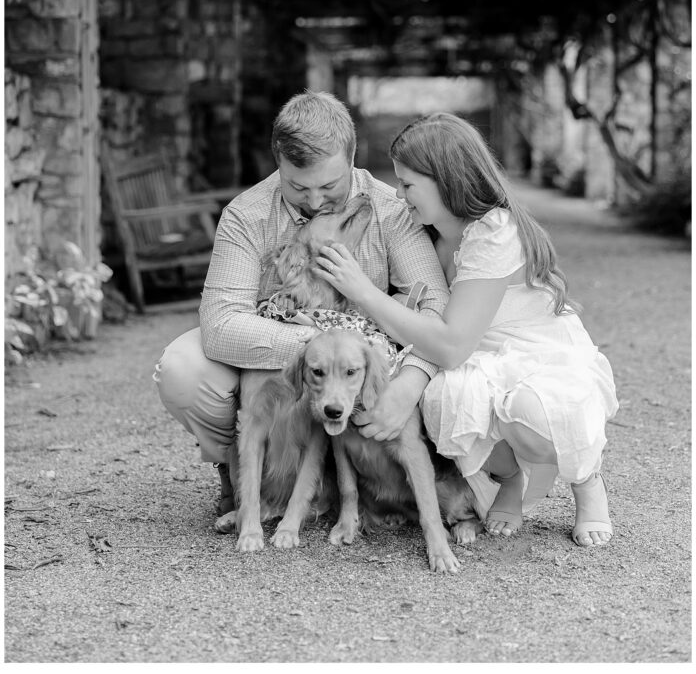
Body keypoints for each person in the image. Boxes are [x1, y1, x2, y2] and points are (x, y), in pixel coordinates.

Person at [316, 112, 619, 547]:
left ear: (446, 179)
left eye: (408, 184)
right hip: (480, 354)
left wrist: (363, 292)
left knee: (537, 414)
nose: (400, 196)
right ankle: (508, 480)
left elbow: (453, 345)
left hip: (533, 354)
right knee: (448, 398)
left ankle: (588, 482)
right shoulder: (430, 230)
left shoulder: (494, 232)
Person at [153, 91, 450, 515]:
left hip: (371, 370)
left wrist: (411, 380)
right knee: (182, 370)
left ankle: (377, 487)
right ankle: (242, 472)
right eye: (297, 186)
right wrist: (323, 349)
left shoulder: (390, 208)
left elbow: (436, 307)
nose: (314, 202)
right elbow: (220, 326)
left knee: (448, 373)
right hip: (290, 364)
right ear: (278, 161)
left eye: (329, 186)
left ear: (352, 157)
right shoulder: (246, 215)